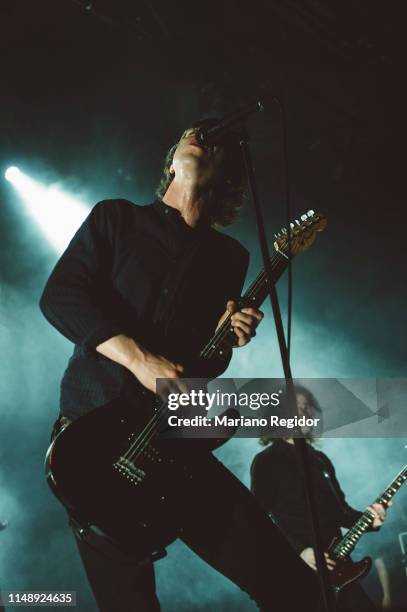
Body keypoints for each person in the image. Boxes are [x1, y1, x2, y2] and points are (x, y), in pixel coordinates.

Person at [40, 120, 319, 611]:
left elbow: (195, 371)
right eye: (191, 134)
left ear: (225, 175)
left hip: (174, 447)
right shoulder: (116, 219)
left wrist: (224, 339)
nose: (199, 135)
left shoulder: (229, 257)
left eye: (211, 143)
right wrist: (138, 358)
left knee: (294, 586)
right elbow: (61, 295)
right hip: (97, 444)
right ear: (172, 160)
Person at [251, 386, 391, 612]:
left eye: (307, 408)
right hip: (297, 574)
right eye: (296, 409)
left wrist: (371, 520)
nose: (305, 414)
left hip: (338, 571)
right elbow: (259, 518)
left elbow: (342, 513)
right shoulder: (267, 461)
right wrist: (299, 551)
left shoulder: (320, 460)